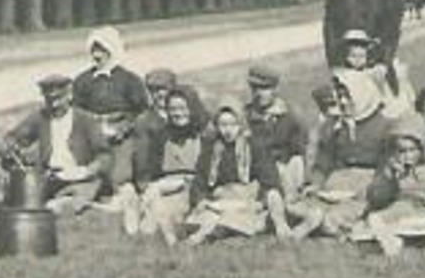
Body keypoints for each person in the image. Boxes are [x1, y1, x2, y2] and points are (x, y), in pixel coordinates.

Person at [186, 97, 308, 244]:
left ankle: (214, 232)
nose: (228, 130)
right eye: (223, 125)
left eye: (233, 124)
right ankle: (211, 230)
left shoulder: (255, 147)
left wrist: (278, 219)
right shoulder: (210, 151)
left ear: (241, 124)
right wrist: (201, 200)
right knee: (207, 216)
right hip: (219, 202)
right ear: (217, 126)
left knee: (245, 219)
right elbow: (199, 181)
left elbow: (270, 182)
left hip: (246, 203)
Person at [352, 113, 425, 259]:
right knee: (374, 220)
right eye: (401, 151)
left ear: (422, 148)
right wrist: (391, 178)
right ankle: (391, 241)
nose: (407, 156)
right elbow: (377, 199)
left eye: (412, 150)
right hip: (398, 211)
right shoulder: (388, 164)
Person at [2, 73, 114, 215]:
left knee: (71, 206)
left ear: (69, 96)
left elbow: (104, 155)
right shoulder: (41, 118)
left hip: (82, 180)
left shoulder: (85, 120)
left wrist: (88, 170)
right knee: (24, 205)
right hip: (52, 180)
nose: (54, 105)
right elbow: (15, 137)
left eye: (58, 99)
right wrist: (10, 145)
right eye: (49, 100)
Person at [306, 69, 393, 235]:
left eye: (348, 97)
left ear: (362, 95)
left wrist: (374, 188)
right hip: (336, 185)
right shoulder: (333, 126)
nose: (343, 102)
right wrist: (316, 183)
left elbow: (386, 165)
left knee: (337, 216)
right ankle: (318, 219)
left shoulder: (385, 127)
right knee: (303, 205)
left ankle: (336, 222)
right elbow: (324, 161)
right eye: (340, 97)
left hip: (367, 185)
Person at [123, 84, 206, 243]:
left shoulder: (204, 136)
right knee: (149, 225)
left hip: (193, 190)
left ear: (192, 107)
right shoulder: (161, 136)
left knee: (160, 221)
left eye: (182, 108)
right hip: (167, 187)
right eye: (173, 109)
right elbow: (153, 171)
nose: (177, 113)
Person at [71, 26, 151, 190]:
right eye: (94, 50)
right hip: (92, 136)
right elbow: (76, 110)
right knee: (87, 177)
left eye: (102, 50)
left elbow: (142, 111)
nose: (97, 56)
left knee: (117, 179)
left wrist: (123, 128)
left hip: (121, 136)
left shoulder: (130, 80)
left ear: (113, 50)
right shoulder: (82, 80)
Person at [244, 64, 308, 195]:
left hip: (284, 172)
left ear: (274, 89)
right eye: (254, 88)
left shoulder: (289, 116)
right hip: (256, 175)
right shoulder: (247, 116)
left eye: (264, 88)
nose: (258, 93)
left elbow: (298, 151)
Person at [336, 28, 414, 118]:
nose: (358, 58)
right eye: (353, 55)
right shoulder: (347, 75)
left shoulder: (388, 68)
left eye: (363, 46)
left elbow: (404, 91)